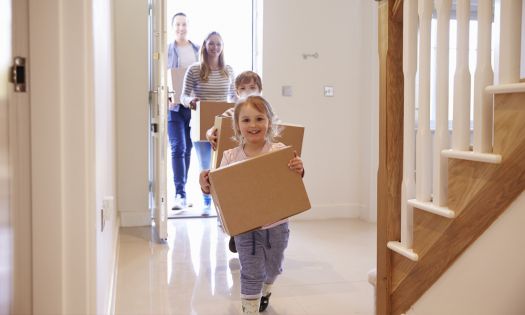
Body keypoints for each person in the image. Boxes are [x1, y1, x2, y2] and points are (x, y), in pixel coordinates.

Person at [199, 96, 304, 314]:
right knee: (251, 271)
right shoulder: (230, 156)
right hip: (246, 229)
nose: (253, 125)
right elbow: (218, 191)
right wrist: (205, 184)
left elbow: (292, 182)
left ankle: (266, 290)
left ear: (269, 122)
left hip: (277, 225)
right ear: (237, 126)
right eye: (246, 120)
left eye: (259, 118)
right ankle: (250, 308)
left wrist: (298, 168)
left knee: (273, 268)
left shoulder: (279, 151)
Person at [181, 31, 236, 215]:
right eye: (211, 44)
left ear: (222, 47)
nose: (215, 47)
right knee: (206, 165)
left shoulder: (228, 70)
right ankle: (206, 201)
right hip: (201, 125)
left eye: (218, 44)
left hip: (224, 126)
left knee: (222, 166)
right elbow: (183, 95)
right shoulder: (195, 70)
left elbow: (234, 97)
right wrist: (190, 101)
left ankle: (220, 206)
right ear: (204, 45)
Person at [167, 12, 199, 210]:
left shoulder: (196, 50)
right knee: (178, 147)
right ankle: (180, 193)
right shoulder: (167, 50)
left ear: (188, 26)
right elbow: (161, 74)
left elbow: (201, 76)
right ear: (173, 27)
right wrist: (166, 95)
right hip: (174, 107)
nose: (181, 28)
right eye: (177, 24)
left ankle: (183, 191)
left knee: (188, 147)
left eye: (184, 24)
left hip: (193, 107)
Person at [205, 70, 263, 150]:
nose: (247, 91)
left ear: (259, 90)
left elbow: (277, 129)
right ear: (237, 93)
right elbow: (214, 127)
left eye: (252, 88)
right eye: (242, 88)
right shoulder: (232, 112)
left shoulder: (266, 112)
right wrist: (209, 133)